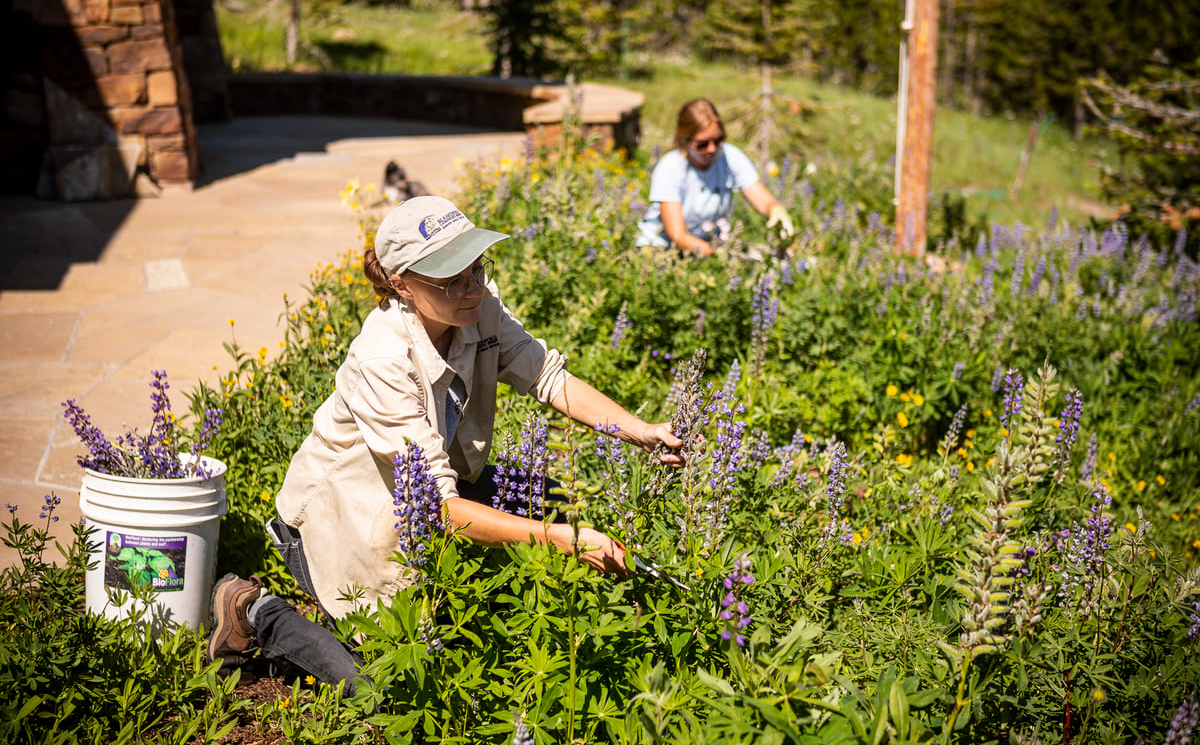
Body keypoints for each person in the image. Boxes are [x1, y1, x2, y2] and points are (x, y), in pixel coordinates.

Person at [207, 195, 684, 696]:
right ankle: (254, 610)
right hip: (341, 526)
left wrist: (641, 431)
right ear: (401, 284)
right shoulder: (383, 360)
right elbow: (441, 510)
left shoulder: (478, 304)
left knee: (561, 504)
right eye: (451, 278)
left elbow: (543, 372)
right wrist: (560, 539)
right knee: (387, 686)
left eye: (476, 267)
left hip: (442, 491)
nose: (472, 287)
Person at [636, 98, 794, 257]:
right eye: (702, 144)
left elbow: (761, 197)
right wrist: (721, 254)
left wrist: (775, 209)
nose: (712, 149)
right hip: (661, 251)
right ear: (684, 139)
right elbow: (678, 236)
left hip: (706, 245)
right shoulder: (670, 167)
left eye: (717, 140)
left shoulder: (730, 157)